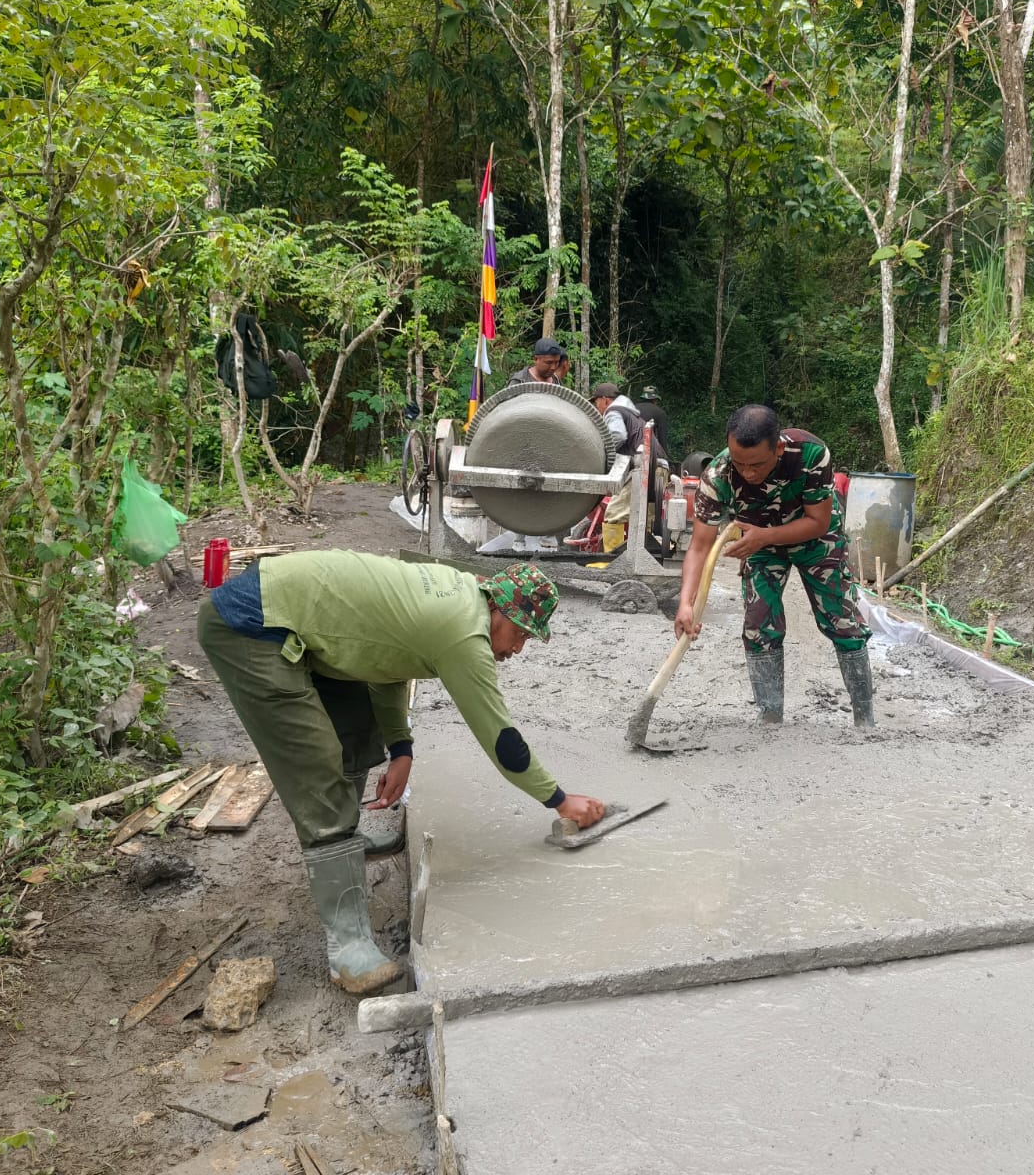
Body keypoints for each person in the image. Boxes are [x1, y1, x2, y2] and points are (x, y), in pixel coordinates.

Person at [198, 552, 607, 997]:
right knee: (317, 768)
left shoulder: (460, 593)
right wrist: (561, 800)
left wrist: (401, 748)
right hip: (251, 626)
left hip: (296, 617)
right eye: (519, 634)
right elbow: (501, 741)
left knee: (354, 730)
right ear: (499, 608)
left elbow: (386, 660)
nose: (516, 650)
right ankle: (349, 948)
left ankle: (344, 841)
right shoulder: (463, 634)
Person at [674, 405, 875, 728]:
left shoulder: (810, 454)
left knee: (842, 621)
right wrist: (686, 603)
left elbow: (818, 522)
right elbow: (699, 547)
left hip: (814, 537)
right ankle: (770, 717)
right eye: (741, 465)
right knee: (758, 625)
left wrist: (766, 537)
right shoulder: (719, 475)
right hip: (758, 540)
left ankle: (865, 719)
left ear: (778, 448)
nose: (749, 474)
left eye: (757, 465)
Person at [591, 382, 669, 553]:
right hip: (659, 466)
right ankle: (645, 558)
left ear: (604, 400)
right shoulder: (632, 414)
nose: (596, 407)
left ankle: (609, 561)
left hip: (644, 467)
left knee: (613, 514)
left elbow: (617, 436)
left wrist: (599, 454)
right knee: (645, 519)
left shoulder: (613, 411)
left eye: (596, 402)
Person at [635, 385, 671, 455]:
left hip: (630, 447)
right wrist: (666, 455)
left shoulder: (632, 408)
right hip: (648, 449)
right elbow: (662, 438)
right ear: (655, 399)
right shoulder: (660, 412)